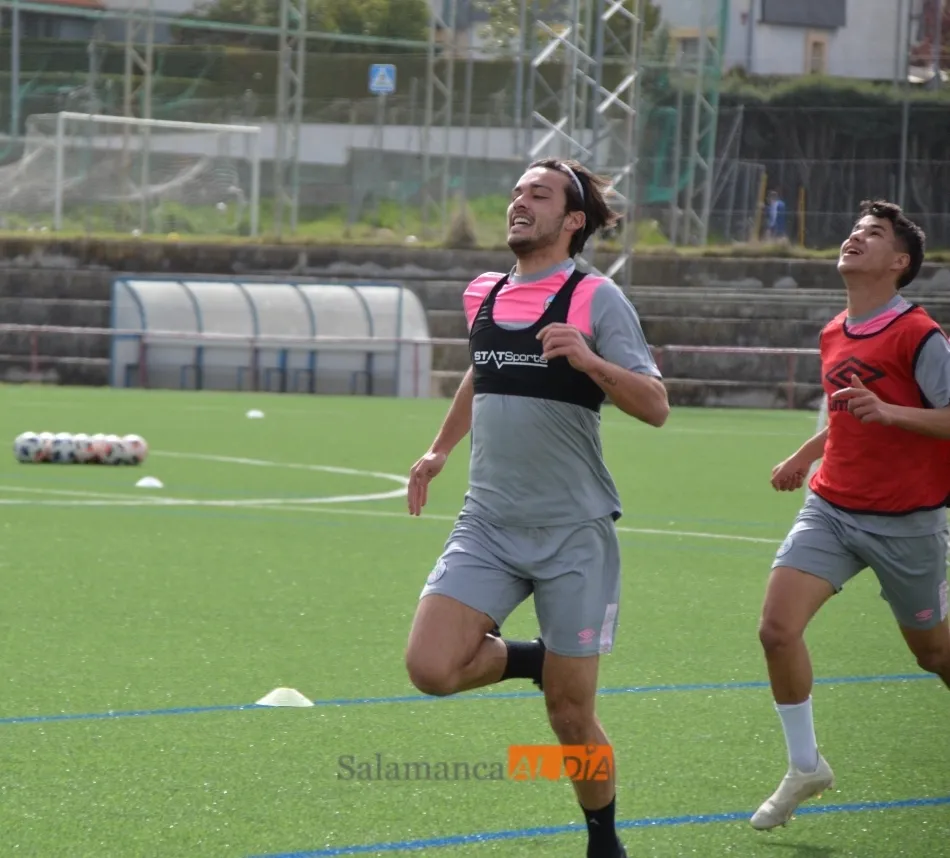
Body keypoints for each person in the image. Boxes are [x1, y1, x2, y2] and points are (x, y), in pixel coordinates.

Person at [404, 157, 669, 858]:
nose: (520, 202)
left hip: (572, 533)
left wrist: (591, 363)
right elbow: (482, 371)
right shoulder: (483, 292)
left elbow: (656, 406)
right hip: (487, 524)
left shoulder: (597, 298)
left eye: (539, 194)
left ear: (572, 220)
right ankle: (534, 660)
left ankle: (603, 838)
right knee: (431, 669)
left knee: (570, 715)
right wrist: (438, 450)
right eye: (517, 191)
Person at [753, 199, 950, 831]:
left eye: (872, 234)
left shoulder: (922, 335)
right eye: (853, 229)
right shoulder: (833, 330)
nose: (854, 238)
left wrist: (892, 412)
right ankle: (805, 765)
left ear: (900, 263)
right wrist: (802, 455)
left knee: (934, 654)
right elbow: (846, 413)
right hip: (832, 509)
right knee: (776, 630)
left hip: (908, 523)